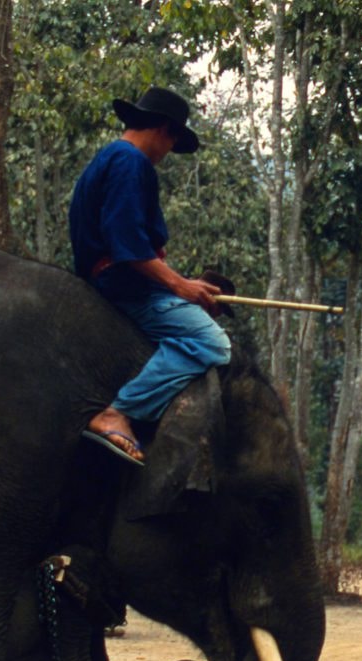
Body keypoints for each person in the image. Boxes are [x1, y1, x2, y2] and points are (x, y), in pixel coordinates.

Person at [69, 86, 231, 465]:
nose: (166, 155)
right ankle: (119, 412)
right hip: (125, 286)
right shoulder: (131, 162)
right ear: (165, 129)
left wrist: (182, 289)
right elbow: (128, 247)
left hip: (112, 278)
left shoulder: (109, 157)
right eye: (172, 143)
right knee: (214, 344)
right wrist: (180, 286)